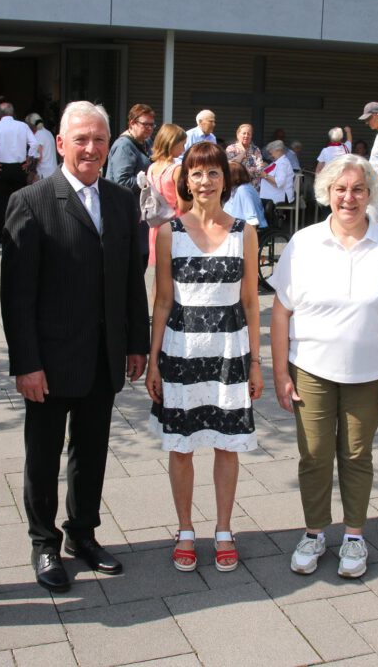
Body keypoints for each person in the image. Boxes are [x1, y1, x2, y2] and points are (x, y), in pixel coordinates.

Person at [1, 101, 150, 594]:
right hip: (49, 361)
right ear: (60, 144)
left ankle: (82, 533)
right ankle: (44, 542)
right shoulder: (31, 201)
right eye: (81, 139)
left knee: (91, 452)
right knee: (42, 456)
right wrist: (26, 363)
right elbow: (16, 296)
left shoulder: (123, 201)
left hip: (103, 356)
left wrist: (136, 343)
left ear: (111, 146)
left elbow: (131, 278)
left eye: (100, 140)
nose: (91, 148)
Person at [270, 153, 378, 579]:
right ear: (327, 194)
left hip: (370, 375)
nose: (348, 198)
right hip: (311, 370)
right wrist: (281, 373)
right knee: (314, 455)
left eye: (358, 189)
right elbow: (280, 312)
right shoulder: (304, 243)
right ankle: (315, 532)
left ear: (370, 193)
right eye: (340, 189)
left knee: (356, 455)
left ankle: (354, 536)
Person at [146, 141, 263, 573]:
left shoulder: (244, 232)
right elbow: (161, 302)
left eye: (214, 172)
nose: (205, 181)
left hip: (229, 354)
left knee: (226, 447)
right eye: (197, 173)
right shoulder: (168, 234)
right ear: (186, 180)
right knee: (182, 449)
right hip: (181, 352)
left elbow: (251, 302)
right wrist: (154, 360)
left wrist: (255, 362)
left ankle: (224, 529)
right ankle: (185, 529)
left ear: (225, 180)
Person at [108, 103, 156, 269]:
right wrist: (149, 180)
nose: (149, 128)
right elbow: (122, 182)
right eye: (145, 124)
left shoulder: (145, 142)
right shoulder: (124, 146)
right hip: (126, 215)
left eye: (152, 124)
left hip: (140, 214)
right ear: (132, 123)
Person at [0, 101, 37, 241]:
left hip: (1, 167)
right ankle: (20, 231)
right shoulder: (23, 126)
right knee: (21, 200)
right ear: (12, 113)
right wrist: (29, 160)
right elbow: (34, 144)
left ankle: (3, 233)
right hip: (19, 167)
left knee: (2, 202)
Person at [147, 122, 188, 266]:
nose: (183, 149)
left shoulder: (151, 167)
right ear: (172, 143)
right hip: (176, 223)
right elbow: (183, 205)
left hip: (157, 223)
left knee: (159, 274)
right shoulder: (177, 169)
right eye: (182, 144)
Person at [224, 161, 267, 228]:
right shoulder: (234, 188)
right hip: (230, 224)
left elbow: (252, 219)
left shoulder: (243, 190)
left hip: (240, 229)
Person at [260, 140, 295, 204]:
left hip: (281, 195)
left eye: (271, 153)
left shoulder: (283, 163)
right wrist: (267, 166)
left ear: (278, 150)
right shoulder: (277, 161)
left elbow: (279, 182)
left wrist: (265, 175)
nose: (270, 156)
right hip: (274, 193)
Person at [26, 113, 59, 181]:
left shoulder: (38, 135)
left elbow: (38, 157)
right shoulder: (48, 133)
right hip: (52, 171)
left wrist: (30, 168)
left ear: (31, 126)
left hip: (43, 174)